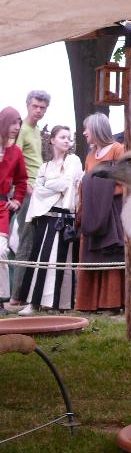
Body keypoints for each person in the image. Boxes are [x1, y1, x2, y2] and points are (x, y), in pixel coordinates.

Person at [17, 126, 82, 316]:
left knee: (57, 261)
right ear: (52, 140)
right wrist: (53, 187)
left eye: (68, 138)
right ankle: (33, 302)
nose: (66, 140)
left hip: (63, 218)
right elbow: (38, 190)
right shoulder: (44, 167)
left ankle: (56, 303)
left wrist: (49, 185)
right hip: (45, 217)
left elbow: (68, 183)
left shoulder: (73, 160)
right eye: (62, 137)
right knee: (39, 259)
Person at [75, 113, 125, 313]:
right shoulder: (89, 156)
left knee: (110, 255)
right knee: (90, 254)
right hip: (92, 212)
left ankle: (111, 303)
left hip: (112, 212)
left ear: (96, 129)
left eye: (87, 128)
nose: (84, 133)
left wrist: (101, 190)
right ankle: (88, 303)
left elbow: (125, 181)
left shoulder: (118, 150)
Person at [11, 90, 51, 305]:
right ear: (27, 105)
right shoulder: (22, 130)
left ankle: (26, 293)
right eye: (35, 106)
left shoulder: (35, 131)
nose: (38, 110)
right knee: (25, 242)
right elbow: (14, 160)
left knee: (34, 241)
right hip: (26, 191)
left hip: (39, 190)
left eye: (42, 108)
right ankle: (16, 296)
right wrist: (25, 186)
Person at [0, 107, 28, 312]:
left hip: (2, 207)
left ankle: (1, 298)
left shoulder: (16, 152)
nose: (17, 127)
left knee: (1, 251)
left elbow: (21, 180)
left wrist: (17, 200)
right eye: (13, 123)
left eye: (19, 123)